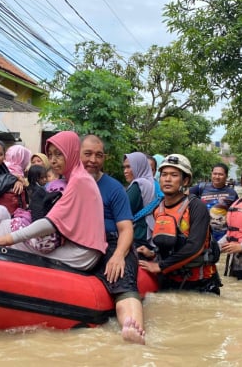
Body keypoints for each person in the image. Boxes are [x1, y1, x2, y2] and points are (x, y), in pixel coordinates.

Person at [0, 131, 107, 272]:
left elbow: (51, 223)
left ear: (72, 152)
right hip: (80, 247)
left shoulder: (79, 180)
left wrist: (7, 239)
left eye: (59, 154)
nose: (52, 160)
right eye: (50, 155)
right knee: (8, 227)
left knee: (5, 229)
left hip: (81, 253)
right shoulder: (76, 177)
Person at [80, 135, 145, 344]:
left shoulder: (114, 187)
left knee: (120, 277)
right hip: (79, 246)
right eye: (88, 154)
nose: (93, 160)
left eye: (99, 155)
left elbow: (126, 228)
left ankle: (133, 327)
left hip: (112, 244)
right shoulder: (68, 184)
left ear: (104, 159)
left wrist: (118, 255)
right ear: (78, 154)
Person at [138, 154, 222, 295]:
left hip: (199, 284)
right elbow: (169, 243)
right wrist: (153, 254)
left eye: (174, 175)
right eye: (164, 174)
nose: (168, 179)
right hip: (170, 280)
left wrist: (160, 265)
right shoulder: (158, 209)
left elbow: (195, 247)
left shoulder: (196, 207)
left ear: (185, 180)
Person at [189, 163, 238, 243]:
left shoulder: (232, 193)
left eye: (220, 174)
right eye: (215, 174)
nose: (217, 177)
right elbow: (184, 196)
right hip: (202, 233)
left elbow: (236, 216)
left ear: (226, 176)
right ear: (211, 174)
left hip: (222, 236)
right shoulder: (201, 187)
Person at [123, 152, 156, 251]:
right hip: (148, 232)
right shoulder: (151, 182)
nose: (125, 171)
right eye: (124, 167)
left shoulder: (139, 184)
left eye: (129, 167)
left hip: (138, 235)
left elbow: (123, 210)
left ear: (139, 166)